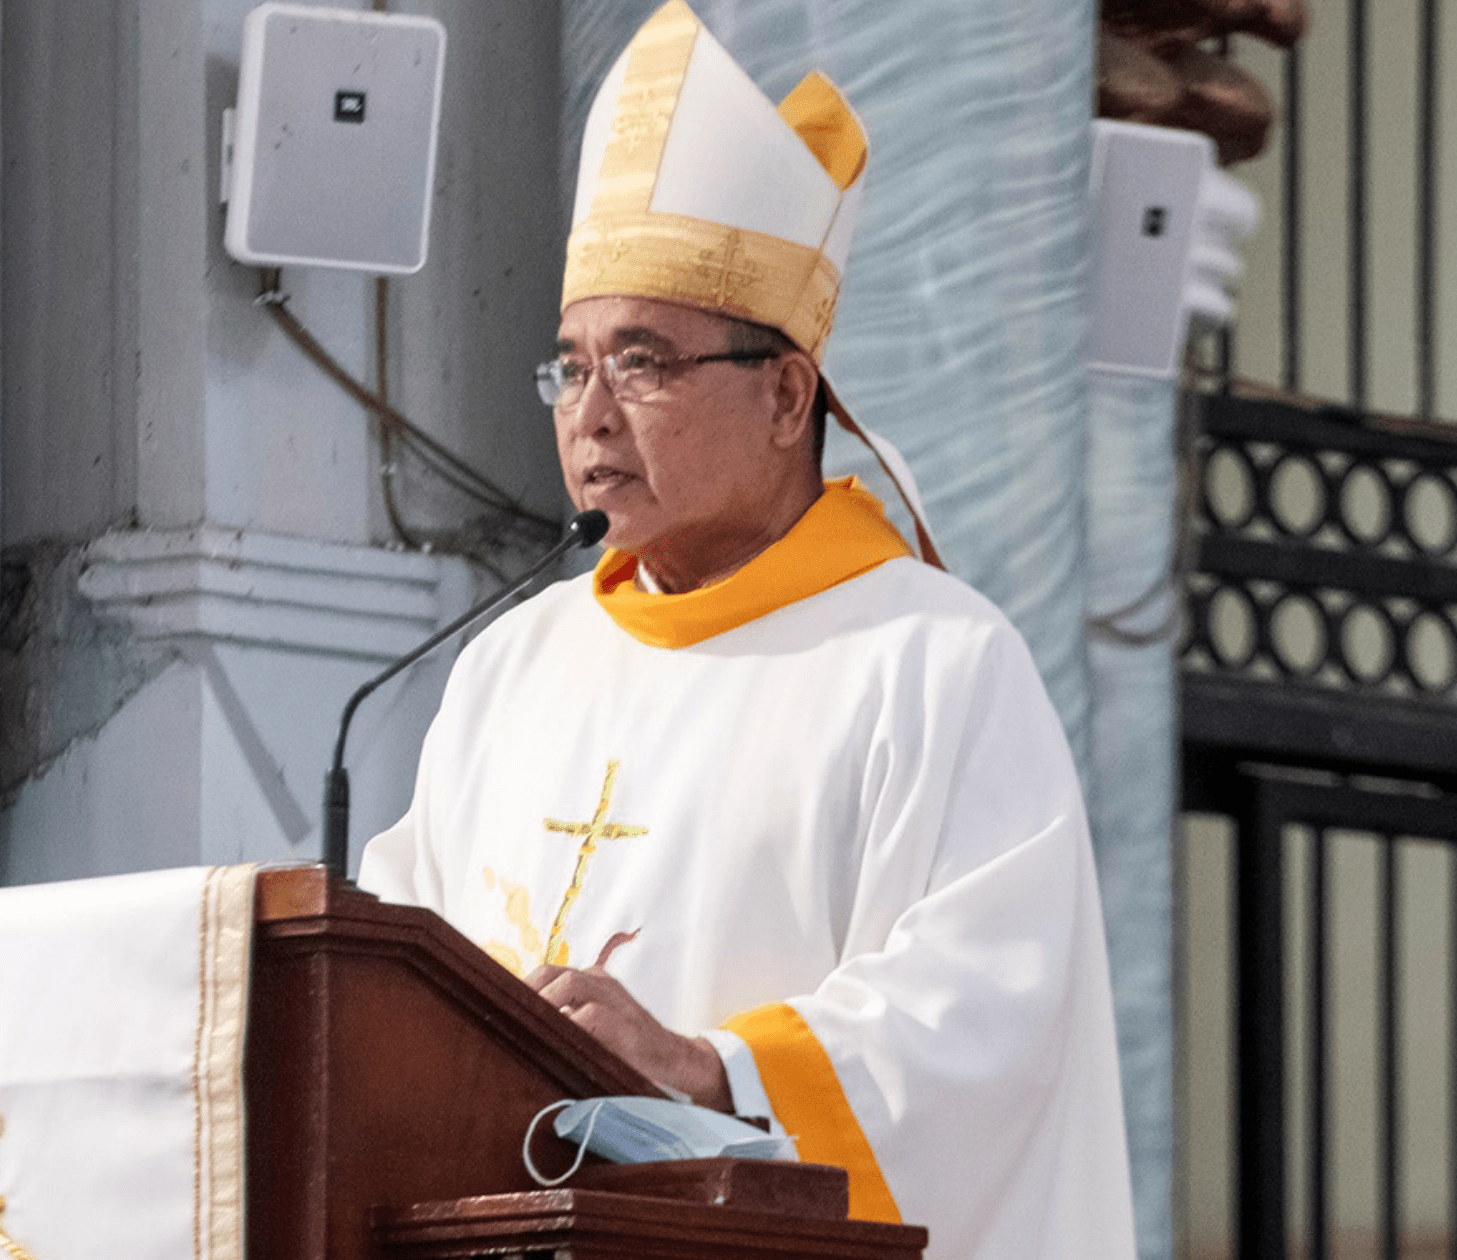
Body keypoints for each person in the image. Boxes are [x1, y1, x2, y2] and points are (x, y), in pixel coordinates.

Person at [355, 4, 1136, 1258]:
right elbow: (400, 970)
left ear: (785, 395)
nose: (590, 417)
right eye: (570, 366)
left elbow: (986, 1017)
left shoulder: (930, 663)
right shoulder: (514, 666)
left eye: (644, 362)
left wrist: (711, 1068)